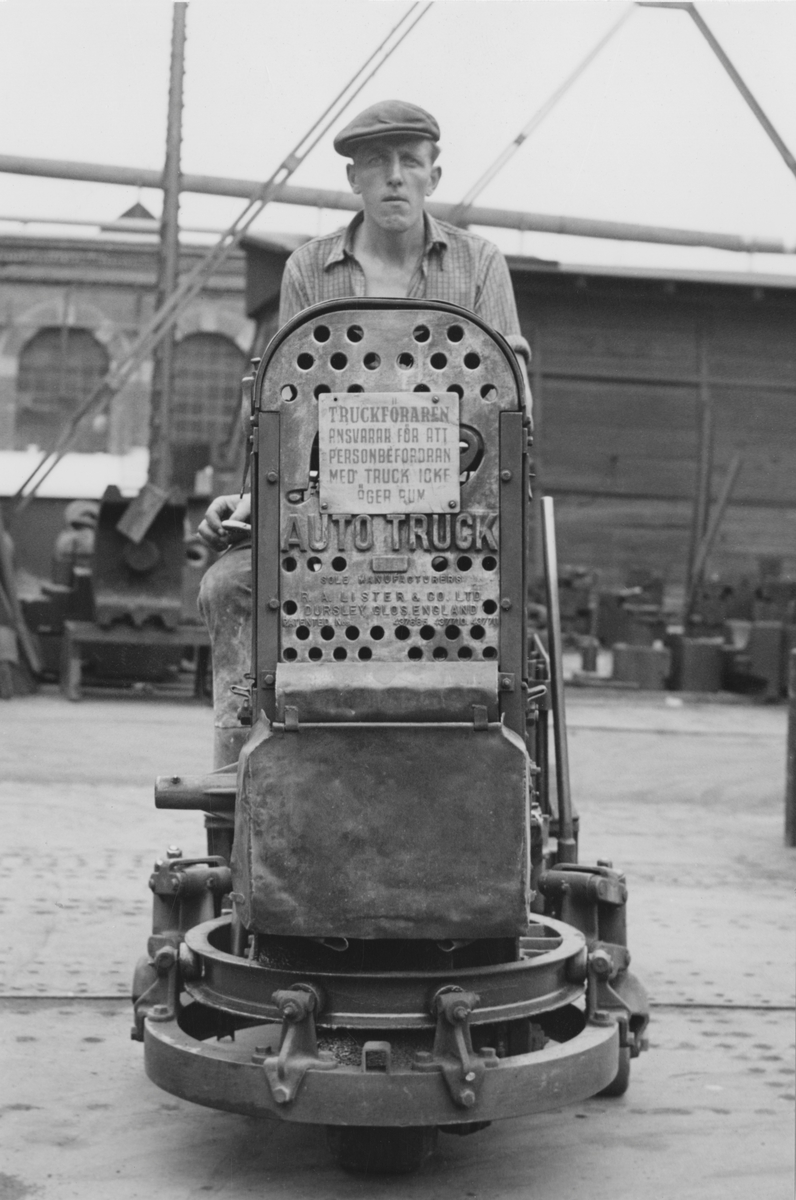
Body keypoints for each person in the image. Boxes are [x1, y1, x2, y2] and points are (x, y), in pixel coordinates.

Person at [198, 100, 530, 765]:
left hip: (454, 529)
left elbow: (510, 404)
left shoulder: (480, 265)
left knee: (505, 607)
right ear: (354, 178)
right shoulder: (308, 271)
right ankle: (239, 776)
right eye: (377, 163)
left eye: (411, 161)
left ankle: (491, 763)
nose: (395, 177)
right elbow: (283, 405)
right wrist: (248, 500)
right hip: (326, 523)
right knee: (229, 585)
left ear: (434, 174)